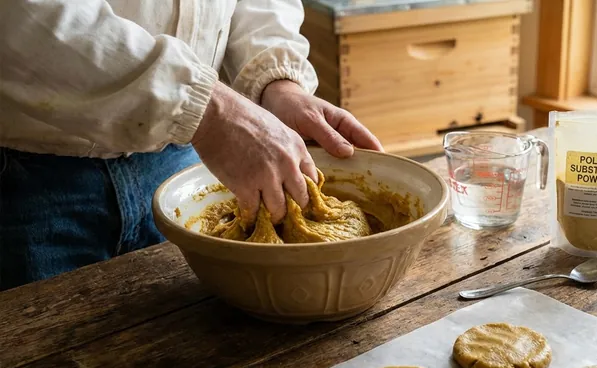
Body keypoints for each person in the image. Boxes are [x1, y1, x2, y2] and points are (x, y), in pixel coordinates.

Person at [0, 0, 383, 291]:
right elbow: (22, 17)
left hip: (187, 161)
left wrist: (275, 81)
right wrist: (208, 110)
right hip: (29, 187)